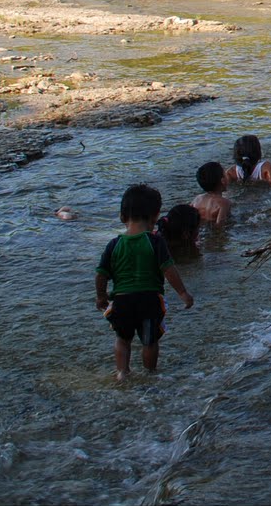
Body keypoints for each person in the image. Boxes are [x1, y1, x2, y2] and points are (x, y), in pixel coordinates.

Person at [94, 183, 195, 382]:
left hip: (122, 301)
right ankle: (150, 373)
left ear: (122, 216)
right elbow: (168, 269)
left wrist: (101, 296)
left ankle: (122, 373)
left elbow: (101, 274)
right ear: (155, 217)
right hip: (149, 301)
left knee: (122, 340)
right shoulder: (155, 241)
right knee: (149, 342)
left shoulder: (114, 244)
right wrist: (183, 293)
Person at [190, 162, 232, 228]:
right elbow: (220, 227)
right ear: (223, 181)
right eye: (225, 173)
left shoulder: (197, 199)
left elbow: (189, 218)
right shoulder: (224, 203)